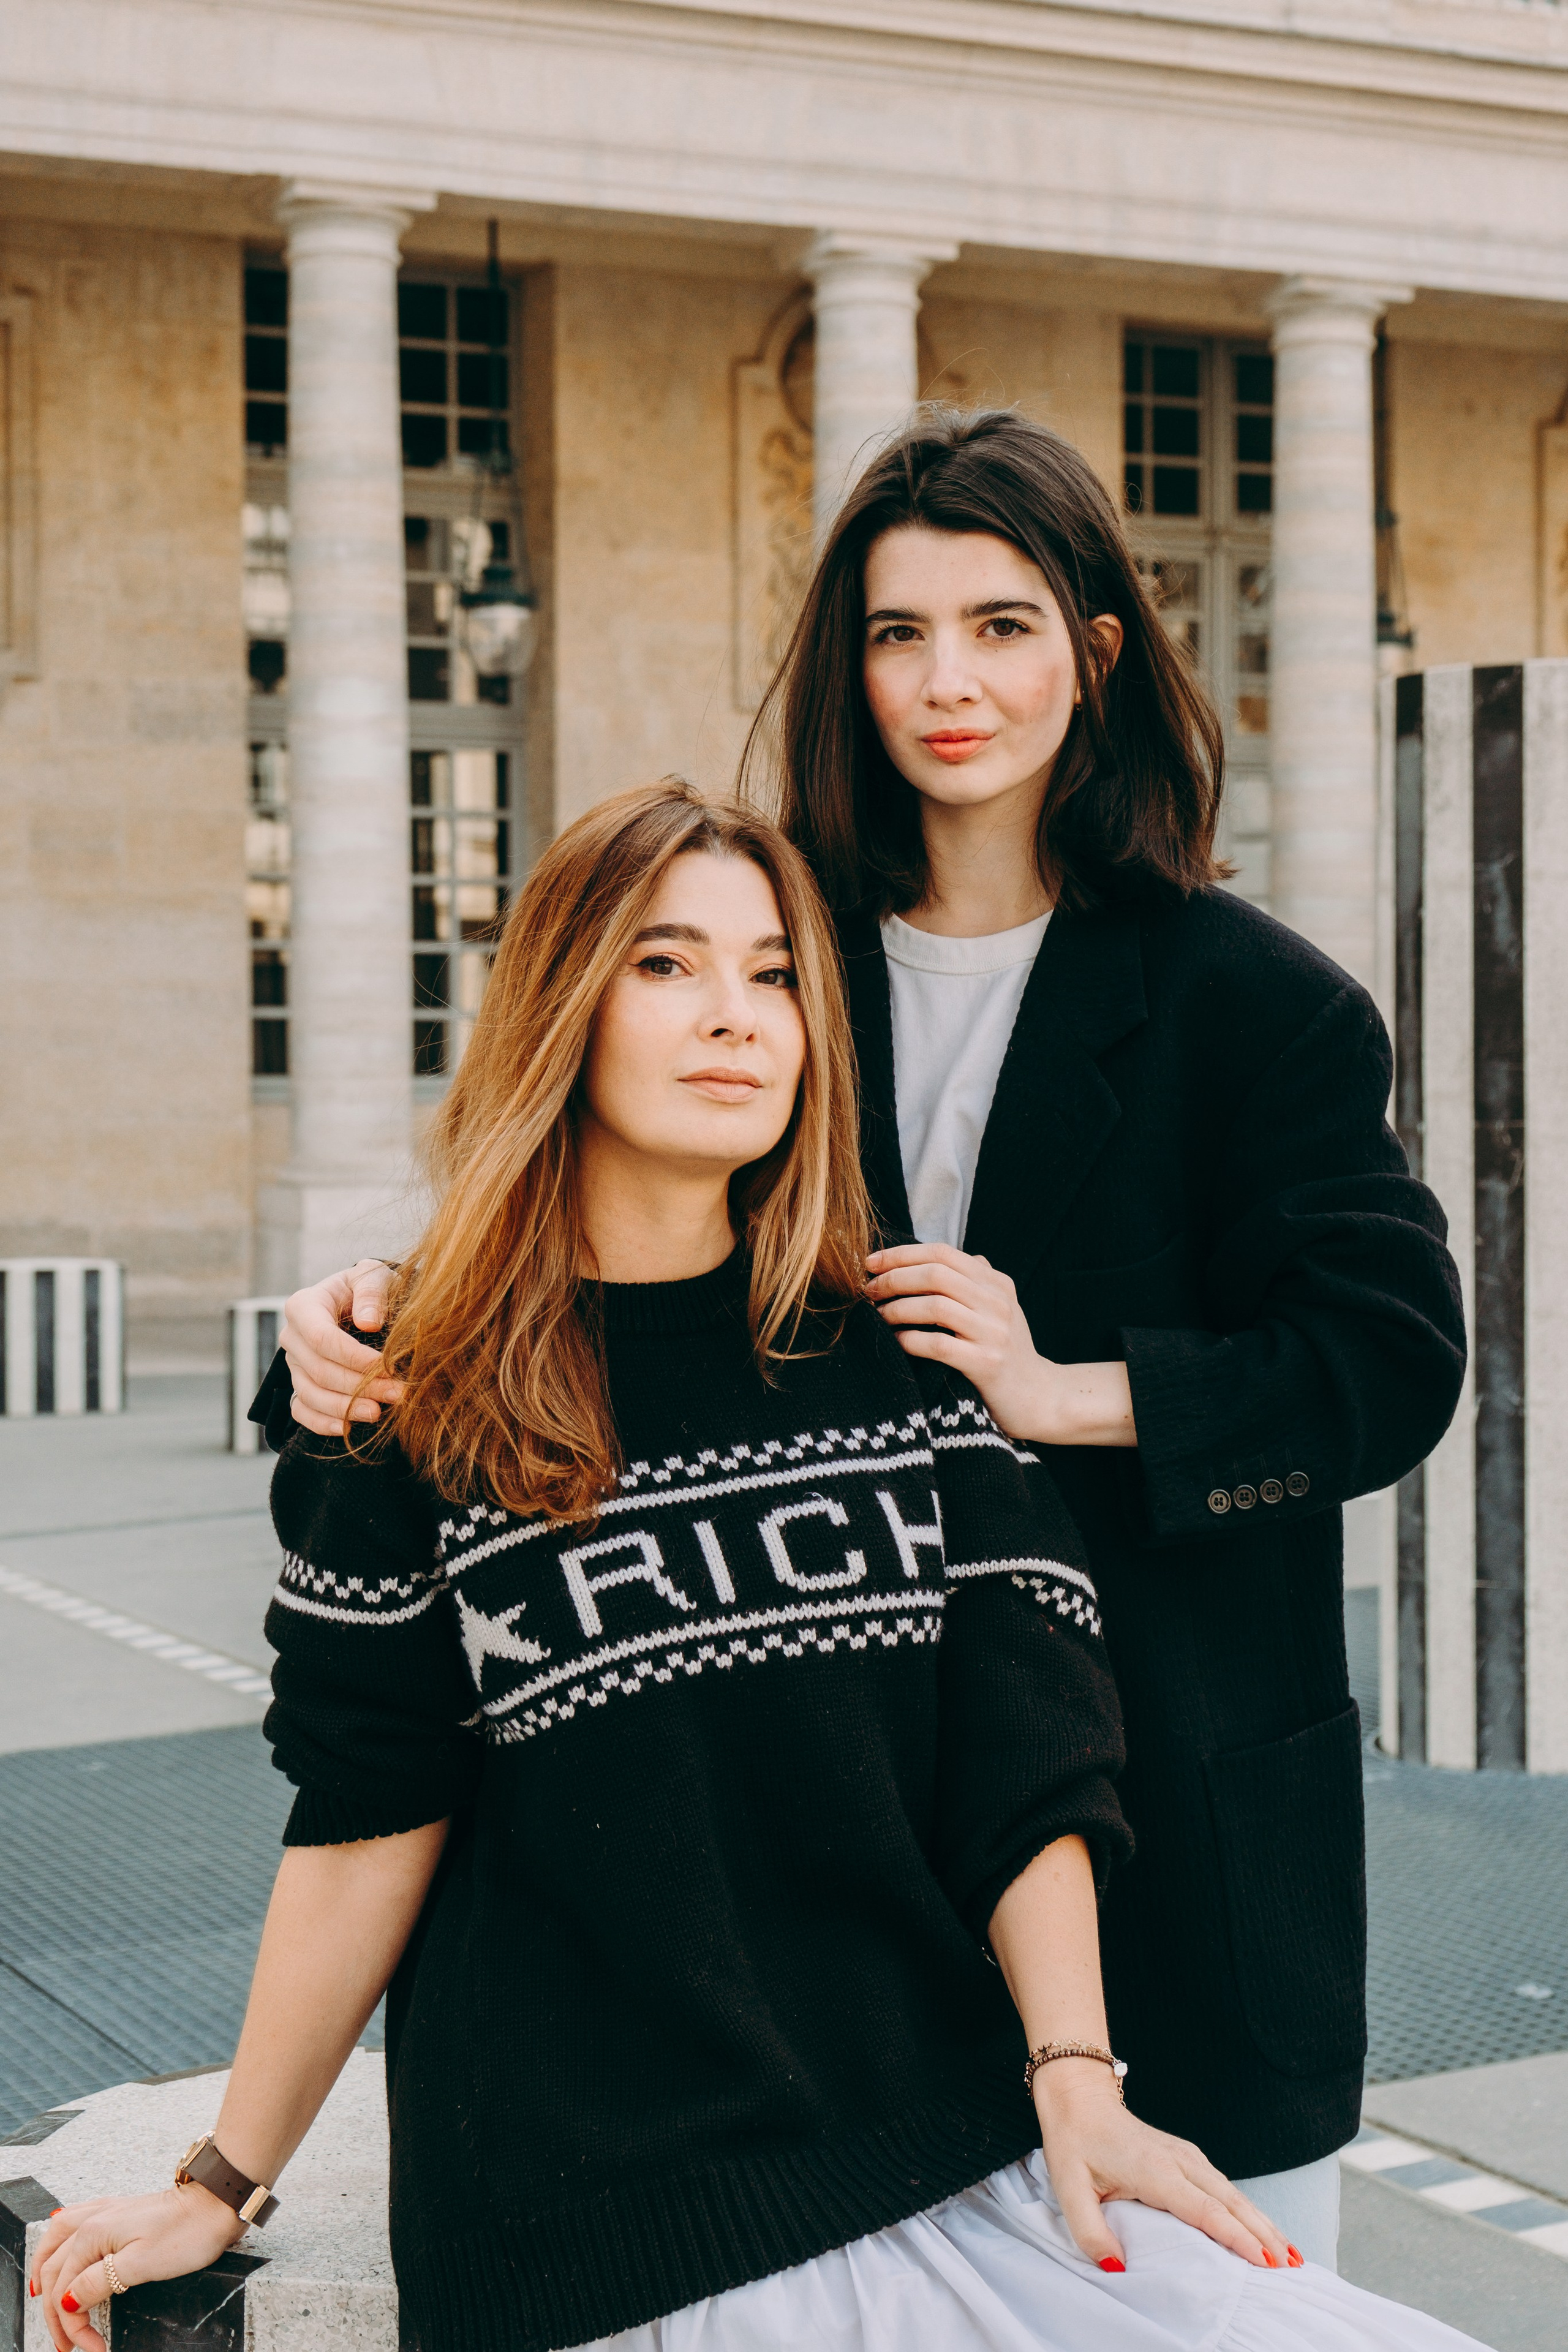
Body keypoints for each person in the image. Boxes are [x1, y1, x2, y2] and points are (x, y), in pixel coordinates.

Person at [31, 786, 1485, 2352]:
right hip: (603, 2224)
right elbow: (363, 1813)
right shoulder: (413, 1403)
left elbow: (1026, 1767)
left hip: (948, 2158)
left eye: (775, 974)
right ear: (561, 1010)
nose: (735, 1015)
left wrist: (1077, 2081)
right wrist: (222, 2179)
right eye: (666, 965)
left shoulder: (900, 1361)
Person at [276, 413, 1467, 2271]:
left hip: (1173, 1812)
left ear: (1093, 651)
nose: (946, 683)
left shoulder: (1253, 1004)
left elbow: (1389, 1360)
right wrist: (367, 1316)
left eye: (1000, 627)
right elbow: (587, 1186)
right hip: (822, 1863)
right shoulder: (773, 948)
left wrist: (1064, 1394)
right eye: (897, 634)